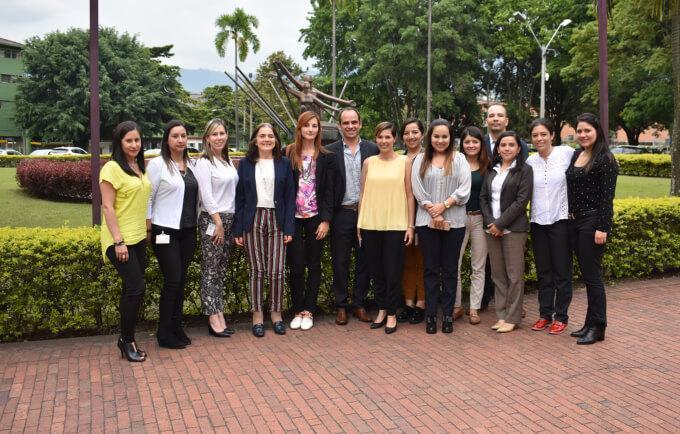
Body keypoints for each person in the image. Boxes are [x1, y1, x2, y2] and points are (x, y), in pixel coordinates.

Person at [234, 123, 296, 337]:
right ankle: (257, 316)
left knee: (277, 270)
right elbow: (240, 198)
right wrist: (238, 230)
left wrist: (289, 227)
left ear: (276, 140)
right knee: (257, 271)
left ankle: (276, 314)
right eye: (262, 136)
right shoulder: (245, 164)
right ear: (255, 140)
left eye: (270, 136)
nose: (267, 139)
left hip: (277, 219)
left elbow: (290, 197)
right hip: (253, 219)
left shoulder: (284, 163)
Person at [411, 119, 471, 334]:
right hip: (426, 222)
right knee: (430, 269)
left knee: (449, 270)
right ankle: (430, 316)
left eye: (444, 136)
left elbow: (465, 188)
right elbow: (416, 188)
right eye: (436, 136)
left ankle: (447, 315)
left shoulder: (460, 159)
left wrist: (444, 205)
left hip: (454, 222)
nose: (440, 140)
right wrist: (431, 208)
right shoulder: (420, 159)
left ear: (450, 138)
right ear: (430, 137)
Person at [357, 122, 416, 334]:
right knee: (376, 270)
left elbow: (410, 195)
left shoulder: (404, 162)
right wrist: (359, 223)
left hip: (396, 223)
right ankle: (381, 309)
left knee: (393, 270)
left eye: (388, 137)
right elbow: (362, 194)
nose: (383, 141)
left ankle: (392, 313)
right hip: (371, 223)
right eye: (380, 137)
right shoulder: (368, 163)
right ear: (375, 139)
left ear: (394, 139)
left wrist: (410, 225)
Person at [100, 121, 151, 362]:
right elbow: (107, 207)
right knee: (136, 287)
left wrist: (148, 230)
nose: (134, 144)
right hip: (119, 239)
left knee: (130, 289)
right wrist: (119, 241)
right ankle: (127, 340)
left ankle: (125, 337)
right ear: (120, 142)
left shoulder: (140, 166)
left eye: (137, 140)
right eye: (129, 140)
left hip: (139, 238)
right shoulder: (111, 168)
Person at [566, 113, 618, 345]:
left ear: (597, 131)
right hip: (574, 222)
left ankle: (598, 326)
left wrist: (602, 227)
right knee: (587, 276)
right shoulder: (578, 154)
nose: (583, 135)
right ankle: (590, 323)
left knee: (593, 277)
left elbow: (608, 199)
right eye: (579, 131)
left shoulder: (605, 159)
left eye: (587, 130)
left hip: (592, 222)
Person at [147, 120, 199, 349]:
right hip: (164, 230)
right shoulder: (158, 165)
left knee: (181, 280)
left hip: (188, 230)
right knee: (173, 280)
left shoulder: (192, 164)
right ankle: (164, 332)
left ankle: (177, 326)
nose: (180, 140)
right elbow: (148, 197)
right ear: (166, 140)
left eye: (183, 136)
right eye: (175, 136)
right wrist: (149, 228)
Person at [327, 108, 379, 325]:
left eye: (354, 122)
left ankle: (359, 303)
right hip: (342, 213)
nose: (350, 126)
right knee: (340, 261)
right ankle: (341, 305)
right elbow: (327, 187)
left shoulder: (373, 149)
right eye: (345, 123)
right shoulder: (329, 151)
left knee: (365, 260)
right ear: (340, 125)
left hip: (367, 212)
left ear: (360, 124)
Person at [285, 111, 336, 331]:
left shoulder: (326, 155)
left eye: (314, 126)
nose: (310, 129)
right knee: (295, 265)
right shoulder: (288, 153)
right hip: (293, 218)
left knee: (314, 265)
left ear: (318, 129)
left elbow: (329, 192)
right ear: (300, 128)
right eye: (307, 126)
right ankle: (297, 309)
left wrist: (326, 221)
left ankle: (309, 310)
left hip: (316, 217)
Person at [480, 131, 533, 334]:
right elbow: (484, 198)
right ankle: (502, 315)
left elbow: (521, 201)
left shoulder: (524, 170)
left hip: (513, 229)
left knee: (514, 274)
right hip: (492, 229)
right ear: (498, 148)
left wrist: (501, 224)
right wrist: (491, 223)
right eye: (503, 145)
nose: (507, 148)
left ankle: (513, 317)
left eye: (512, 145)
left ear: (519, 148)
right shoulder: (491, 170)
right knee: (498, 275)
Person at [526, 118, 575, 335]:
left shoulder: (566, 153)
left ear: (552, 135)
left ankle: (561, 316)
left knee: (561, 272)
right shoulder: (529, 162)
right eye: (535, 135)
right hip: (538, 222)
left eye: (543, 134)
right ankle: (545, 314)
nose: (539, 139)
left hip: (561, 220)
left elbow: (588, 162)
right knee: (544, 272)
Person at [194, 118, 238, 338]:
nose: (219, 137)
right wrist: (218, 222)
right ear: (207, 138)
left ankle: (218, 311)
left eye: (222, 133)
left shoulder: (226, 161)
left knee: (220, 269)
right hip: (214, 221)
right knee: (211, 269)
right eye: (214, 134)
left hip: (229, 220)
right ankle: (212, 315)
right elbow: (206, 194)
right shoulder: (204, 162)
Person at [455, 126, 490, 325]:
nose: (470, 145)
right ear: (462, 144)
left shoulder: (488, 166)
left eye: (474, 142)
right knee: (455, 264)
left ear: (480, 144)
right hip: (458, 218)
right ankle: (457, 306)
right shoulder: (456, 163)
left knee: (479, 266)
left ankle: (474, 308)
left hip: (479, 220)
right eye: (467, 142)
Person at [397, 118, 426, 324]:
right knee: (406, 262)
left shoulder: (429, 158)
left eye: (415, 132)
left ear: (422, 134)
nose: (411, 136)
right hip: (403, 216)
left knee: (423, 262)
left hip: (424, 216)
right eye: (407, 133)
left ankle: (421, 304)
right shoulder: (399, 159)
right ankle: (408, 302)